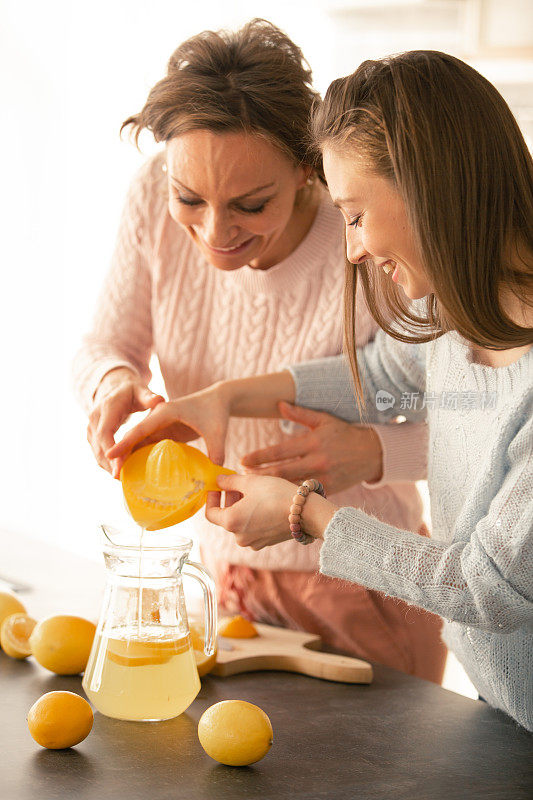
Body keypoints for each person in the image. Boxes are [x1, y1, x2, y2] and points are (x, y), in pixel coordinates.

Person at [108, 50, 533, 730]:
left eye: (356, 216)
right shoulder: (455, 313)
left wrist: (306, 514)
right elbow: (387, 375)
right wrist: (224, 397)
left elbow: (483, 588)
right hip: (500, 704)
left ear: (430, 189)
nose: (353, 248)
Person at [74, 20, 446, 682]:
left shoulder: (365, 227)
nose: (214, 232)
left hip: (360, 583)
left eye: (250, 204)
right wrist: (110, 385)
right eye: (189, 198)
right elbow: (106, 343)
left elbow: (450, 406)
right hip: (219, 577)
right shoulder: (146, 199)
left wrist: (371, 454)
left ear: (308, 169)